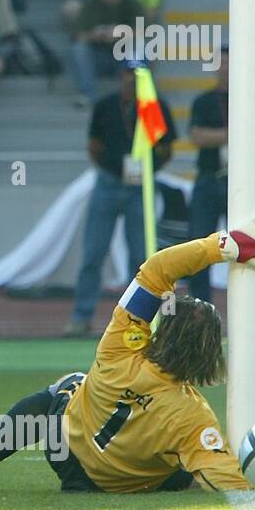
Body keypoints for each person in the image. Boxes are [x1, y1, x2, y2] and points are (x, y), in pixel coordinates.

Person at [0, 213, 255, 493]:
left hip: (68, 457)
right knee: (188, 461)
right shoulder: (193, 417)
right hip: (121, 486)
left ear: (166, 330)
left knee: (66, 388)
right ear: (209, 354)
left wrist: (223, 245)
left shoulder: (120, 347)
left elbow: (156, 270)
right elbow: (221, 474)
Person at [66, 62, 177, 336]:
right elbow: (94, 146)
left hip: (140, 186)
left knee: (140, 256)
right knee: (94, 251)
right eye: (129, 74)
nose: (132, 80)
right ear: (121, 76)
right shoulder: (106, 106)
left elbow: (165, 146)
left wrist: (148, 172)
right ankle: (82, 316)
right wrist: (111, 168)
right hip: (109, 182)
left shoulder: (154, 106)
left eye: (138, 75)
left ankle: (137, 320)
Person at [188, 48, 229, 302]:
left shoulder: (254, 98)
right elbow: (197, 137)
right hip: (209, 177)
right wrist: (233, 133)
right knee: (199, 244)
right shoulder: (203, 101)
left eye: (229, 61)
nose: (225, 66)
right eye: (221, 61)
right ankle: (199, 305)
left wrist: (215, 136)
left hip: (242, 181)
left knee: (250, 242)